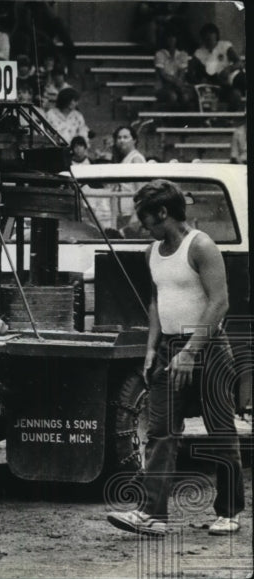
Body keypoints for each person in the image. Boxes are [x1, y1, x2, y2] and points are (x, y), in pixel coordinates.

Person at [106, 180, 244, 538]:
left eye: (146, 219)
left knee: (220, 432)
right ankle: (152, 515)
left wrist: (191, 351)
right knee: (161, 432)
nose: (144, 227)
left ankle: (229, 512)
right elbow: (156, 302)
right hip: (168, 348)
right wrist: (152, 347)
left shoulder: (202, 246)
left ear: (163, 213)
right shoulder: (151, 252)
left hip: (208, 348)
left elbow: (220, 303)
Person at [190, 23, 244, 111]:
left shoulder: (224, 46)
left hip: (225, 85)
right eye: (206, 39)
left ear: (216, 37)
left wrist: (228, 69)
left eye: (211, 39)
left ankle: (230, 120)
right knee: (203, 97)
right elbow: (191, 73)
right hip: (209, 86)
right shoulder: (199, 53)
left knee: (236, 95)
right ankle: (208, 121)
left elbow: (239, 62)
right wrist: (200, 80)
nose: (209, 42)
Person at [154, 31, 194, 110]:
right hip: (163, 86)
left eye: (173, 37)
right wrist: (175, 81)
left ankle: (183, 119)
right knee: (172, 96)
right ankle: (169, 119)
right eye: (169, 37)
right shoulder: (160, 54)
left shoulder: (183, 54)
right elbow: (162, 74)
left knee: (185, 97)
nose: (171, 40)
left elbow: (182, 73)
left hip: (178, 85)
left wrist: (178, 83)